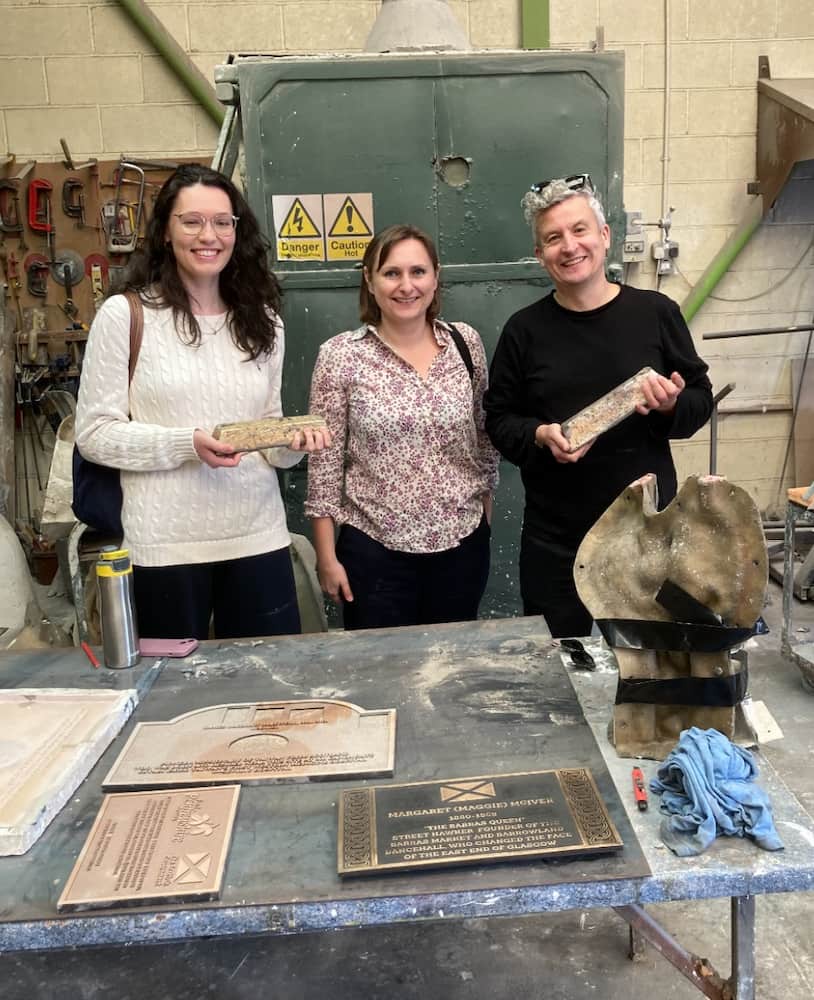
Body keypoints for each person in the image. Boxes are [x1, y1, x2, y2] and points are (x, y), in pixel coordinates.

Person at [75, 163, 330, 640]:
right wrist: (187, 444)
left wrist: (293, 443)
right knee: (168, 694)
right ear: (166, 232)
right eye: (191, 221)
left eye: (221, 222)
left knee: (265, 689)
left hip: (259, 539)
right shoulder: (125, 315)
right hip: (164, 550)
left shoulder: (264, 321)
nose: (207, 235)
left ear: (237, 231)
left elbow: (268, 435)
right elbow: (94, 435)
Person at [484, 174, 713, 638]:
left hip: (647, 535)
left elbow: (699, 399)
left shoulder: (655, 312)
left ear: (604, 236)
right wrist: (538, 436)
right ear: (539, 255)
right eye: (553, 238)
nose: (569, 246)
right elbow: (499, 420)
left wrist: (670, 407)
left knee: (648, 669)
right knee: (559, 672)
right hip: (557, 543)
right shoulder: (524, 331)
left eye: (579, 230)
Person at [305, 223, 499, 630]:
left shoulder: (465, 343)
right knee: (381, 675)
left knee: (453, 667)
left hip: (461, 545)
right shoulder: (341, 356)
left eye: (418, 272)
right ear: (370, 281)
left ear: (435, 277)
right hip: (375, 553)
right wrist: (327, 557)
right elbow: (323, 464)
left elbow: (483, 437)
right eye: (391, 273)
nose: (406, 286)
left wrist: (484, 516)